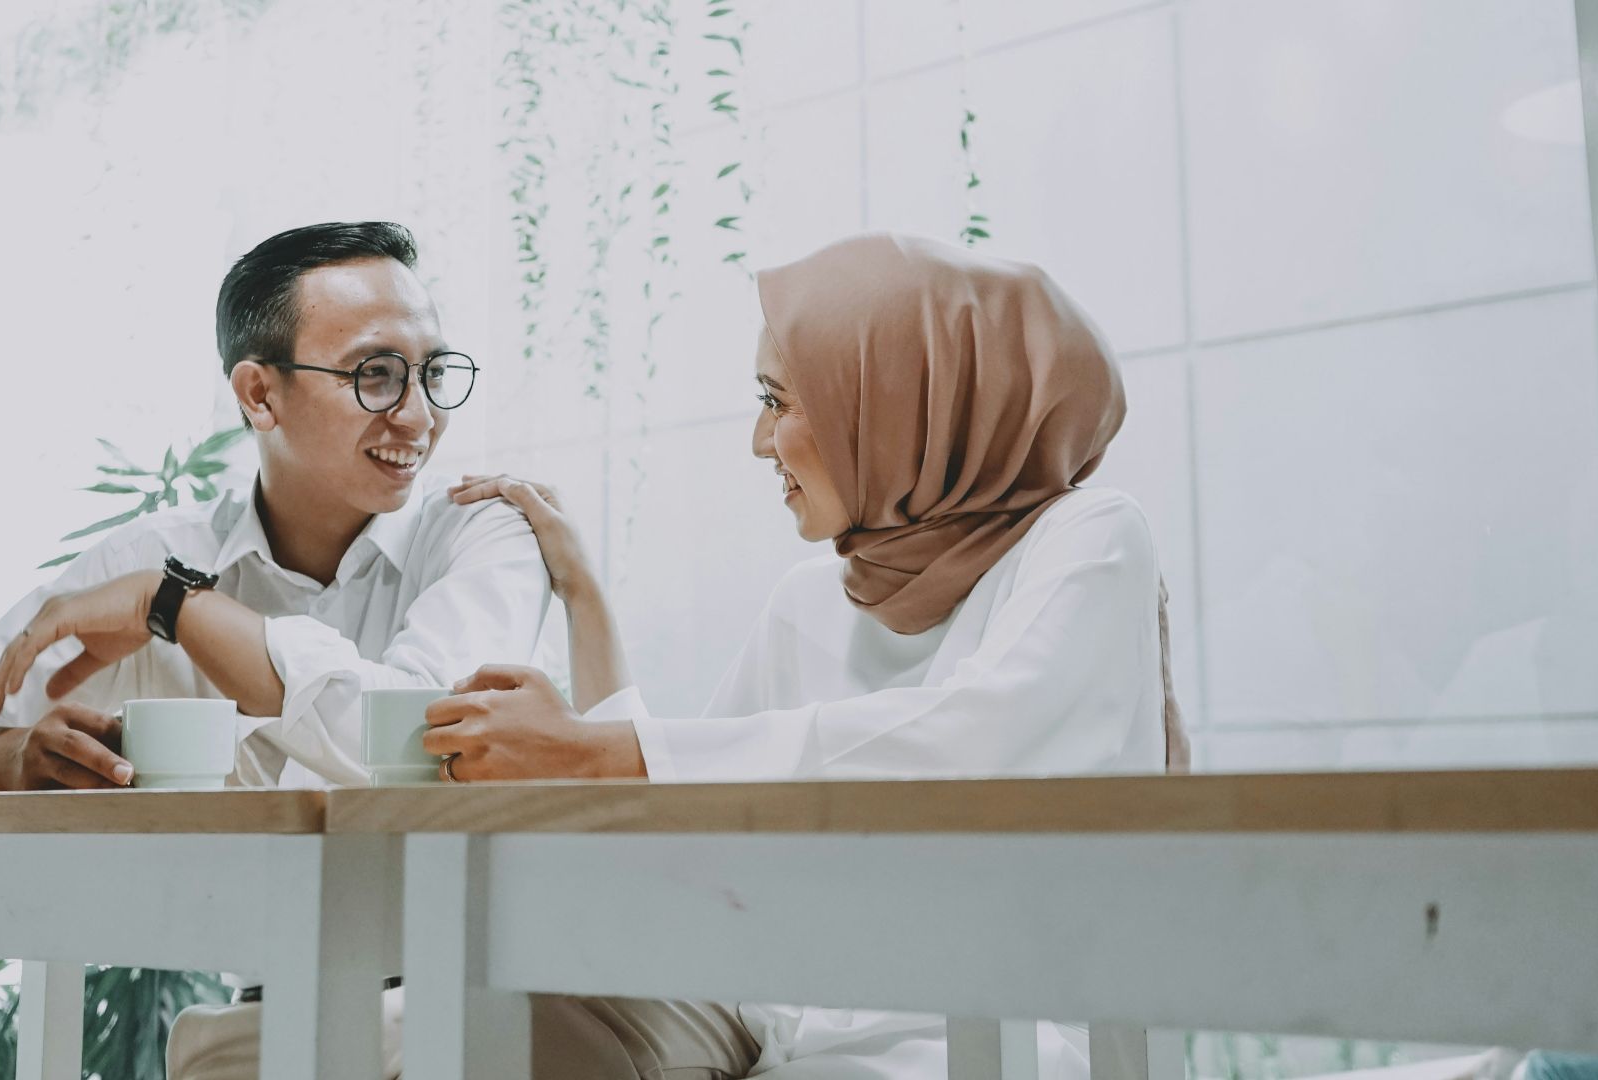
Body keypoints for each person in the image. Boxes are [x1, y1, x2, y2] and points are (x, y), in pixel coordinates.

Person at [430, 232, 1189, 1078]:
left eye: (780, 399)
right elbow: (679, 825)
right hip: (796, 1054)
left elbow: (979, 747)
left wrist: (591, 752)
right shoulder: (812, 600)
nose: (760, 440)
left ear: (893, 399)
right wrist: (580, 595)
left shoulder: (1087, 538)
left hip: (1017, 1048)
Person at [0, 219, 551, 794]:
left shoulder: (484, 532)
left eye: (431, 373)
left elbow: (424, 743)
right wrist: (16, 759)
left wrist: (175, 608)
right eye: (375, 374)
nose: (420, 416)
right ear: (259, 394)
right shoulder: (149, 555)